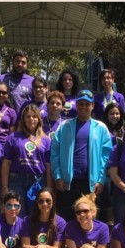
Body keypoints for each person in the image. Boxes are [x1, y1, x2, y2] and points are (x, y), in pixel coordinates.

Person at [50, 90, 113, 220]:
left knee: (90, 222)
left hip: (91, 184)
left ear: (92, 106)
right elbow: (54, 153)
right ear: (76, 105)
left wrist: (101, 180)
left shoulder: (101, 128)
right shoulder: (64, 126)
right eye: (80, 104)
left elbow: (106, 157)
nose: (83, 107)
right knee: (66, 220)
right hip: (68, 184)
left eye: (86, 104)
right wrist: (57, 176)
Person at [1, 104, 52, 215]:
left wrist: (49, 188)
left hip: (37, 181)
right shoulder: (13, 137)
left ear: (38, 119)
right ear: (23, 119)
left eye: (34, 116)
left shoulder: (46, 140)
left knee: (36, 214)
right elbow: (6, 163)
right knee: (17, 213)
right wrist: (4, 186)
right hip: (16, 180)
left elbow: (48, 166)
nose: (31, 119)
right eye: (28, 117)